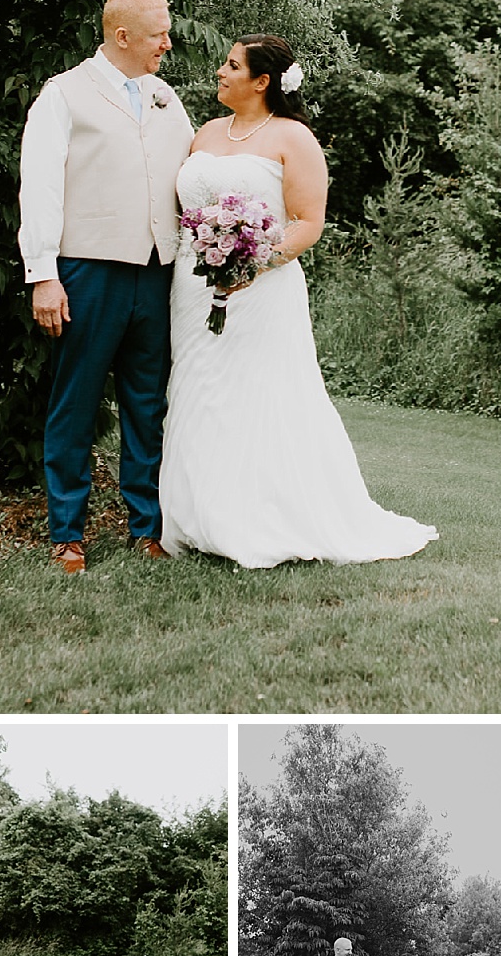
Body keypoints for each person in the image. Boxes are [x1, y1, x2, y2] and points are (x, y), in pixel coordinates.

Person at [158, 35, 439, 567]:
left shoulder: (294, 138)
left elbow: (309, 223)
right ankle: (197, 517)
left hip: (261, 289)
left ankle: (259, 518)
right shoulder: (205, 133)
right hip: (192, 287)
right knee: (198, 391)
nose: (220, 71)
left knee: (259, 396)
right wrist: (211, 259)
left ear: (262, 82)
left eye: (232, 64)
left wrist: (248, 264)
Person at [19, 0, 195, 574]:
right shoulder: (63, 94)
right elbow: (40, 186)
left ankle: (146, 527)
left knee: (147, 405)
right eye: (158, 34)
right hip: (88, 270)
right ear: (122, 36)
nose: (168, 43)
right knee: (77, 400)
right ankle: (67, 533)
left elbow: (189, 179)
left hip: (157, 273)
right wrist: (44, 275)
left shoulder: (167, 97)